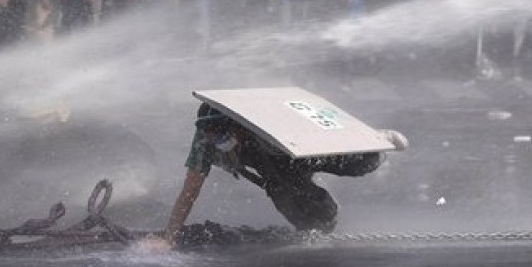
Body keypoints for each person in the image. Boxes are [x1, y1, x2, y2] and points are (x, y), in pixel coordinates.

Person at [164, 102, 408, 245]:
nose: (217, 139)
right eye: (211, 133)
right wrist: (169, 238)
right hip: (278, 166)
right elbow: (190, 190)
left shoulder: (266, 127)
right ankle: (323, 217)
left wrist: (361, 139)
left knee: (356, 165)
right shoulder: (204, 141)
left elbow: (320, 125)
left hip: (305, 147)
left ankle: (374, 146)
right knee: (294, 204)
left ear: (237, 125)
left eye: (222, 132)